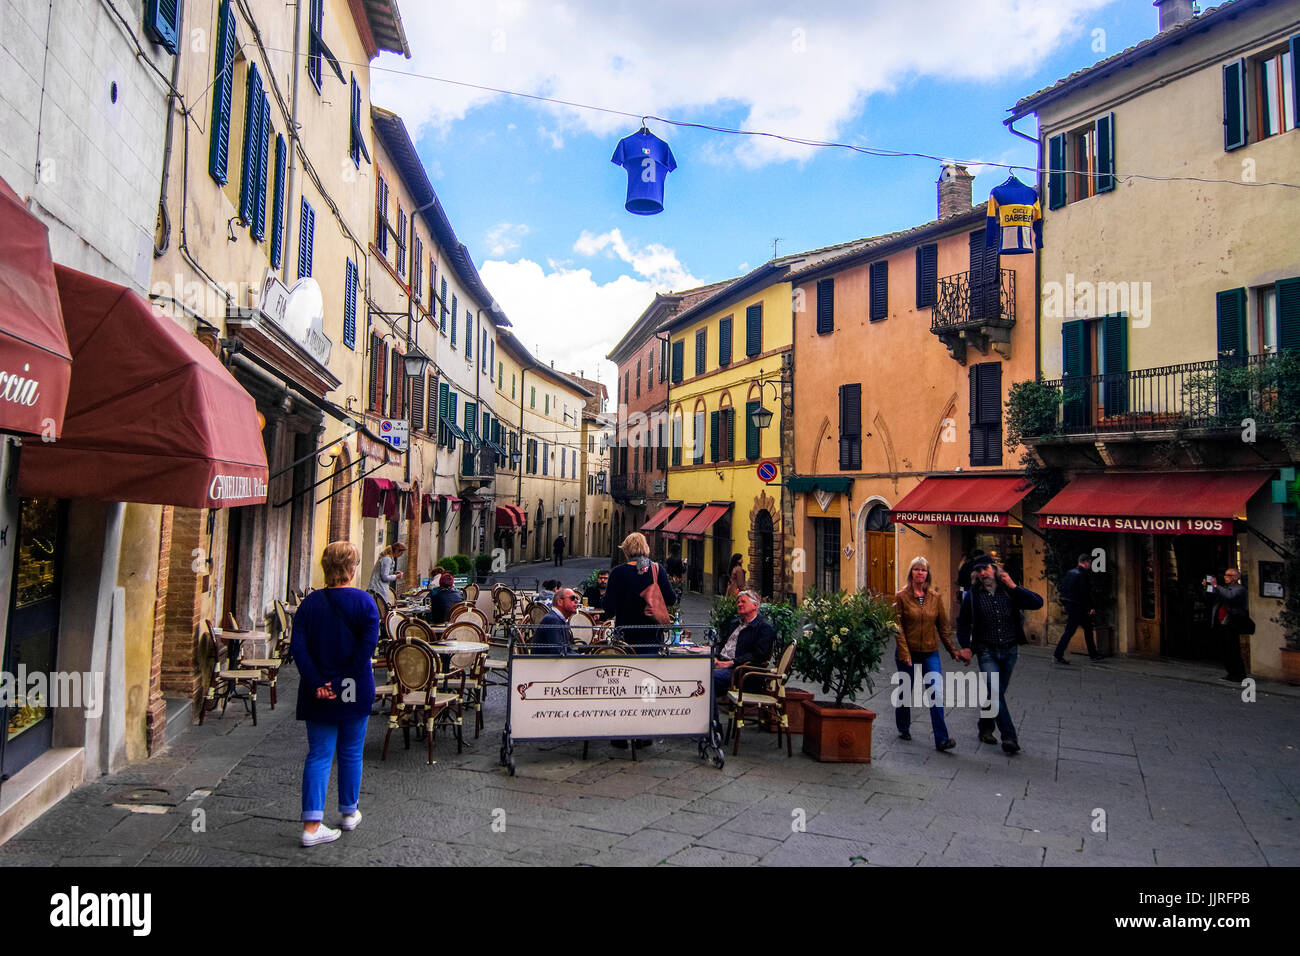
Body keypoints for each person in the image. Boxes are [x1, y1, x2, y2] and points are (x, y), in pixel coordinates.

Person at [291, 541, 380, 847]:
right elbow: (364, 651)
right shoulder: (366, 604)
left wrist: (319, 682)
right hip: (353, 689)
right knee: (352, 752)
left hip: (318, 692)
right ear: (351, 568)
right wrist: (343, 683)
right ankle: (348, 813)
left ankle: (311, 826)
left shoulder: (309, 604)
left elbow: (298, 649)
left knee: (318, 754)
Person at [955, 556, 1043, 755]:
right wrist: (965, 646)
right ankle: (1009, 736)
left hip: (1010, 650)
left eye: (986, 568)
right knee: (995, 692)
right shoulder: (973, 596)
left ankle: (985, 726)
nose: (983, 573)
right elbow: (962, 623)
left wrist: (1014, 586)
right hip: (987, 651)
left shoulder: (1009, 591)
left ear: (994, 569)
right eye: (979, 570)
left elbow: (1037, 602)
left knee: (996, 693)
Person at [893, 557, 963, 752]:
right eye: (916, 569)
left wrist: (952, 651)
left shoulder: (935, 598)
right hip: (909, 651)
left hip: (930, 652)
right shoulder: (901, 597)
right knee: (906, 690)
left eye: (923, 570)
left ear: (927, 574)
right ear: (911, 573)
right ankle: (903, 726)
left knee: (936, 694)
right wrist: (905, 652)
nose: (920, 573)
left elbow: (943, 627)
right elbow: (897, 627)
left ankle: (942, 738)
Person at [603, 532, 677, 653]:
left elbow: (609, 607)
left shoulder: (618, 572)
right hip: (652, 638)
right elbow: (671, 599)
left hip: (625, 638)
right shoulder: (657, 570)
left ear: (626, 551)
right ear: (646, 548)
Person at [712, 590, 776, 706]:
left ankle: (712, 720)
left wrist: (731, 663)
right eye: (738, 602)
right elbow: (722, 645)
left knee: (707, 678)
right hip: (721, 663)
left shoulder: (763, 628)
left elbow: (759, 655)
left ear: (755, 605)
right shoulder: (735, 623)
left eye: (743, 602)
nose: (739, 604)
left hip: (740, 671)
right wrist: (715, 657)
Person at [1055, 553, 1102, 663]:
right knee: (1072, 631)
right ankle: (1057, 655)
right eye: (1089, 563)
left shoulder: (1070, 572)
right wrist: (1091, 606)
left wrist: (1066, 604)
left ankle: (1093, 654)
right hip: (1079, 607)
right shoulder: (1083, 574)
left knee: (1086, 629)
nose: (1090, 565)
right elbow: (1085, 592)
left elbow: (1062, 588)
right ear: (1086, 562)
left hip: (1072, 606)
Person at [1209, 568, 1249, 683]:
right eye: (1225, 575)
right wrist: (1208, 587)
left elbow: (1230, 596)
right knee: (1225, 650)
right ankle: (1231, 673)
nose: (1225, 577)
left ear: (1235, 578)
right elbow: (1212, 598)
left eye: (1228, 575)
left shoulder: (1240, 589)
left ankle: (1239, 675)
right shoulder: (1224, 588)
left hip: (1232, 623)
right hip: (1222, 622)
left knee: (1233, 649)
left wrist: (1217, 586)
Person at [534, 587, 579, 654]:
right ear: (560, 602)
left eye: (577, 598)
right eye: (572, 598)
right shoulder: (552, 620)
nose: (576, 601)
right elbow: (558, 653)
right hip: (544, 663)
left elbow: (566, 650)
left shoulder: (559, 618)